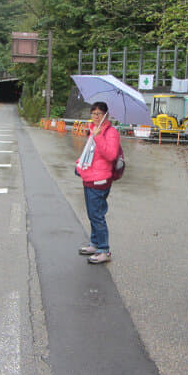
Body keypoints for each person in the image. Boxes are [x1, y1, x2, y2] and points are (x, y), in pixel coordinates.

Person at [75, 101, 121, 264]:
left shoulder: (111, 133)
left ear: (106, 115)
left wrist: (99, 136)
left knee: (97, 215)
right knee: (92, 214)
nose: (95, 117)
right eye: (93, 113)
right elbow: (89, 152)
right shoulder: (93, 129)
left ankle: (104, 250)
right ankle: (95, 244)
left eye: (98, 114)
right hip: (89, 176)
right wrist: (79, 164)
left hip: (100, 179)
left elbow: (111, 155)